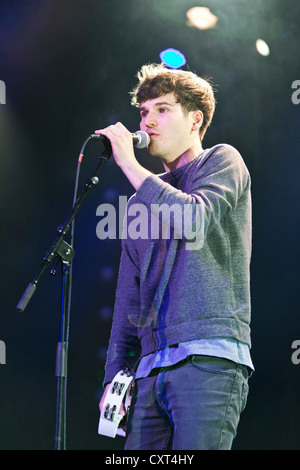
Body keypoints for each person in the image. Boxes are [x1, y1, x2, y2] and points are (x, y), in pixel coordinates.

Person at [97, 63, 253, 450]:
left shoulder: (222, 160)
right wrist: (114, 376)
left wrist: (130, 166)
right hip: (149, 372)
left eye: (163, 109)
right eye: (144, 111)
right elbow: (128, 299)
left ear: (195, 119)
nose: (148, 120)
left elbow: (193, 218)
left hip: (208, 360)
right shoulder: (140, 200)